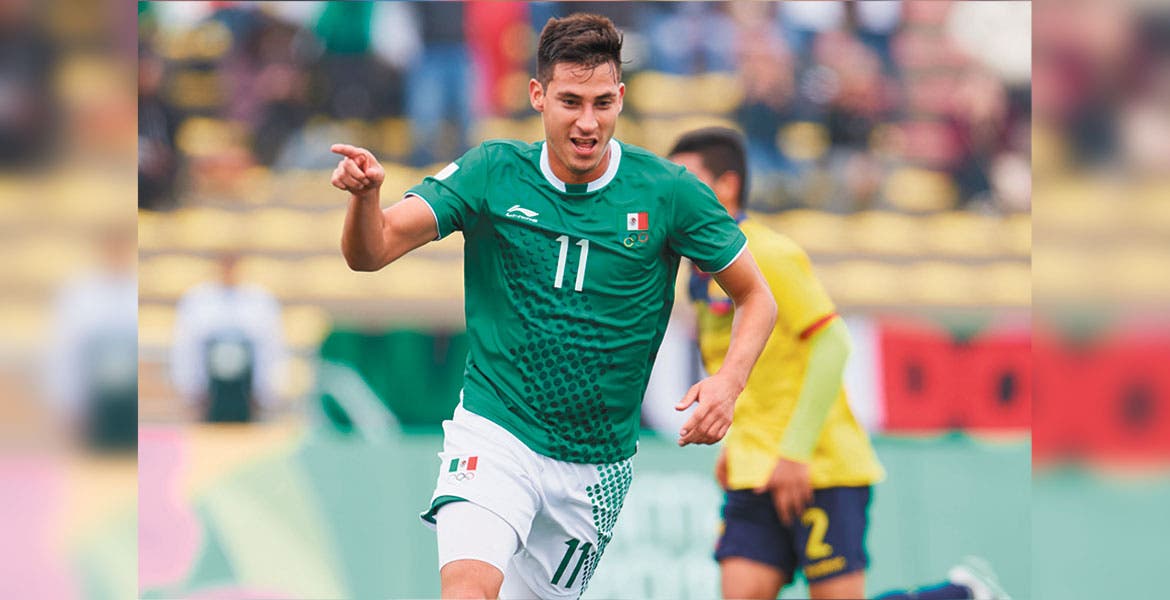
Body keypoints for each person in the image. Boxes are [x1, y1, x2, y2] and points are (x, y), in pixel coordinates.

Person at [330, 14, 776, 599]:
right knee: (467, 589)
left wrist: (728, 384)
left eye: (601, 103)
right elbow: (372, 251)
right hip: (496, 430)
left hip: (595, 467)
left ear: (620, 98)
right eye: (570, 101)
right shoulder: (492, 171)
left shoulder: (667, 192)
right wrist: (366, 200)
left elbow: (756, 296)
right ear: (538, 95)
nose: (587, 122)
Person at [669, 127, 1009, 600]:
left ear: (726, 186)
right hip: (753, 467)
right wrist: (739, 445)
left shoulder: (766, 254)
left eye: (686, 181)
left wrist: (796, 452)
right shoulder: (698, 270)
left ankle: (958, 595)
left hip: (818, 465)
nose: (674, 196)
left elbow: (832, 344)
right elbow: (749, 371)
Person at [170, 251, 287, 423]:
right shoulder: (198, 300)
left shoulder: (260, 300)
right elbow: (187, 346)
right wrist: (191, 387)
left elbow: (270, 347)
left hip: (246, 386)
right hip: (210, 386)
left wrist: (266, 390)